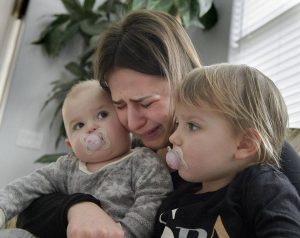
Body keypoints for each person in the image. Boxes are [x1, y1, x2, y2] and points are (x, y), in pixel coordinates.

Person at [15, 10, 300, 238]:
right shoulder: (131, 157)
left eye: (146, 103)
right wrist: (77, 206)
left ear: (185, 82)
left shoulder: (259, 156)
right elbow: (30, 210)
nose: (132, 122)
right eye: (119, 106)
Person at [0, 80, 173, 237]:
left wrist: (122, 233)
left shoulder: (143, 161)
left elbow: (152, 202)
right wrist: (2, 207)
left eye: (102, 115)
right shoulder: (67, 167)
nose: (91, 127)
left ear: (125, 123)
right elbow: (27, 186)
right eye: (79, 125)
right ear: (71, 145)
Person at [153, 64, 300, 237]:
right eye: (178, 124)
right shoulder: (174, 201)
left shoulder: (264, 188)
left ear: (245, 144)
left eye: (192, 126)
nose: (173, 138)